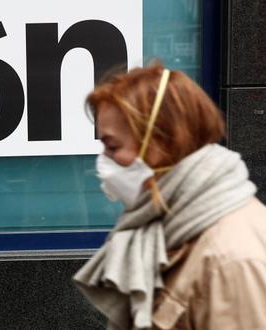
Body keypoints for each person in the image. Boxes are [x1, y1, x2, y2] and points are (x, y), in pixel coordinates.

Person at [73, 64, 266, 330]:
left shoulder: (231, 259)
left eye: (113, 146)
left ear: (163, 142)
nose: (103, 161)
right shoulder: (170, 225)